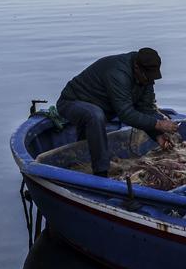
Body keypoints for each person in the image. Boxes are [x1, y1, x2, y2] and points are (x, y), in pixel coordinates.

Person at [56, 48, 178, 177]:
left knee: (97, 115)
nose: (151, 81)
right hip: (71, 102)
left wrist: (157, 135)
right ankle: (101, 173)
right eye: (148, 77)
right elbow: (125, 114)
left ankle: (84, 150)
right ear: (137, 67)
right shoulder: (118, 74)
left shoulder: (145, 77)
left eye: (153, 77)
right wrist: (158, 124)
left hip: (102, 107)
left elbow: (146, 109)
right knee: (95, 116)